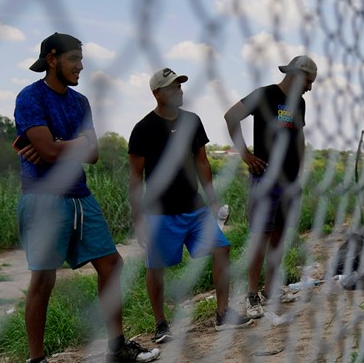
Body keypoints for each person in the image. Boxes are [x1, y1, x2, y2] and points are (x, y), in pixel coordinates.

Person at [14, 32, 160, 363]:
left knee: (112, 263)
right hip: (43, 198)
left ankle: (117, 347)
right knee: (44, 279)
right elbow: (48, 151)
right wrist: (71, 143)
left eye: (81, 59)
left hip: (80, 194)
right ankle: (36, 359)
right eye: (74, 60)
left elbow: (91, 154)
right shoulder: (30, 98)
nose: (80, 66)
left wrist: (60, 145)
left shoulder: (80, 102)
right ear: (52, 60)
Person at [128, 68, 253, 337]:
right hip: (160, 212)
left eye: (180, 86)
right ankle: (161, 325)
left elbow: (201, 161)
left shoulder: (192, 121)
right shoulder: (143, 129)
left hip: (194, 208)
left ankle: (223, 314)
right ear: (157, 94)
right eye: (172, 88)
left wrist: (213, 201)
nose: (179, 91)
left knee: (222, 250)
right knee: (156, 267)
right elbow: (136, 179)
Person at [224, 55, 317, 318]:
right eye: (308, 81)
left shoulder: (298, 102)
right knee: (260, 237)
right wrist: (245, 155)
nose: (310, 87)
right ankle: (252, 295)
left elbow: (298, 135)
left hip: (288, 181)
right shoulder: (264, 95)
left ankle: (270, 288)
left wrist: (298, 173)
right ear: (297, 76)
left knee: (278, 236)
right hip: (265, 179)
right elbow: (231, 117)